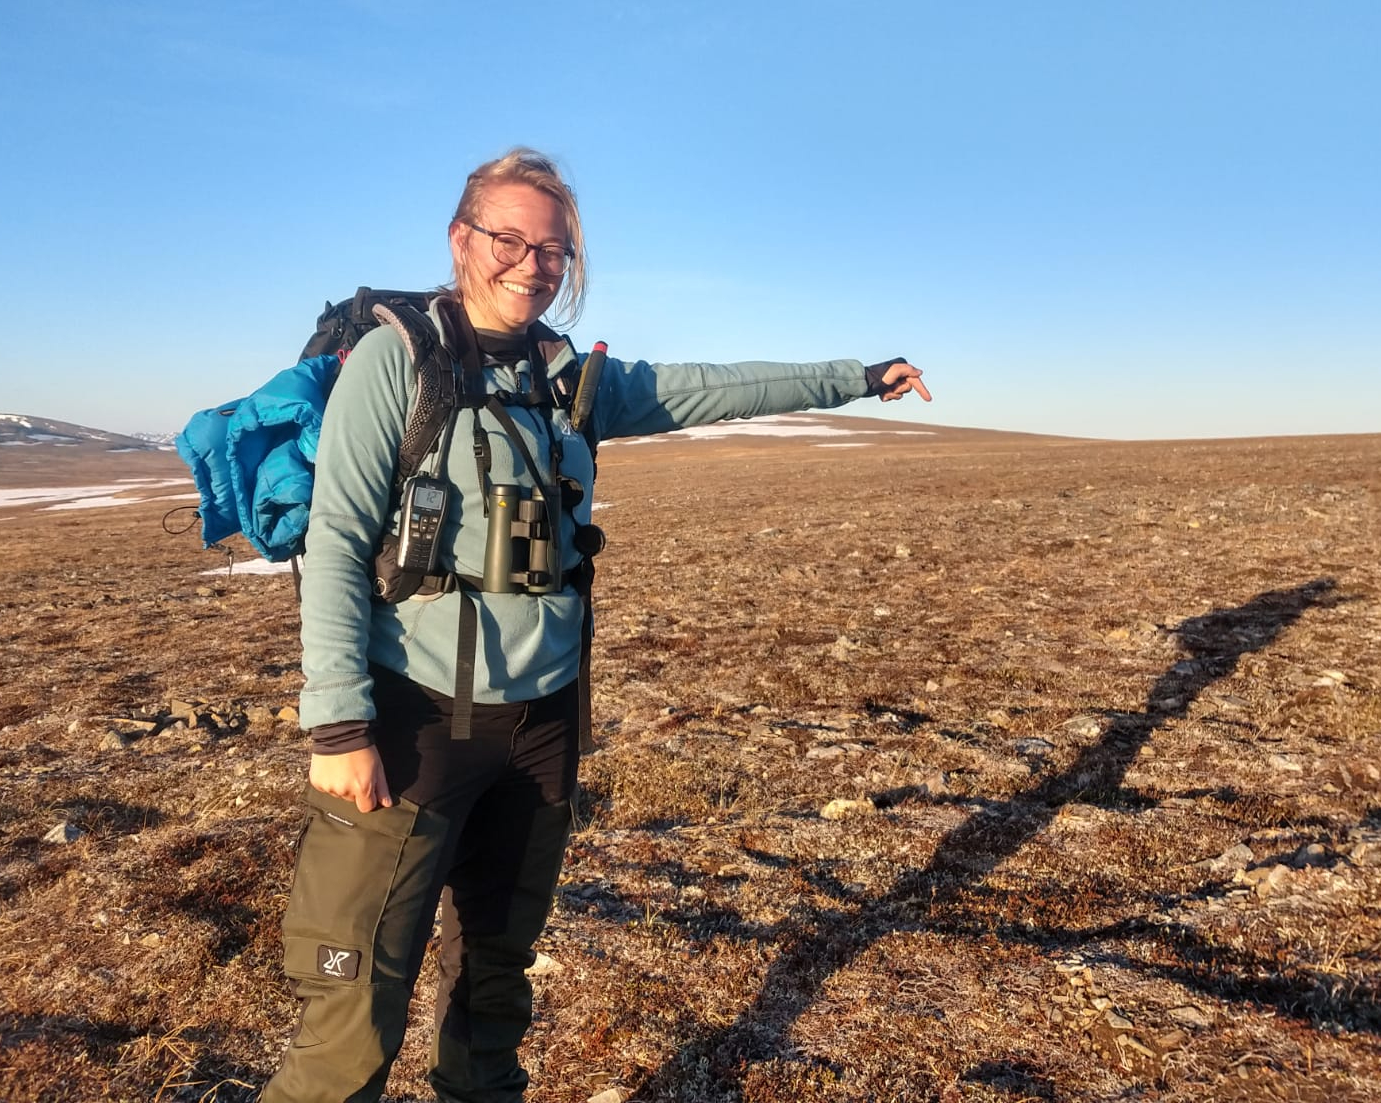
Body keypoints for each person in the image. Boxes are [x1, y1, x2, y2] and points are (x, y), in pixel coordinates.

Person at [261, 148, 931, 1103]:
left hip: (540, 731)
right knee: (352, 1011)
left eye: (555, 250)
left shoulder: (564, 377)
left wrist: (857, 374)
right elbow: (334, 542)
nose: (533, 265)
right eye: (511, 240)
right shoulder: (397, 359)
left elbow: (712, 387)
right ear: (462, 241)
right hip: (413, 724)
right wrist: (338, 725)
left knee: (493, 988)